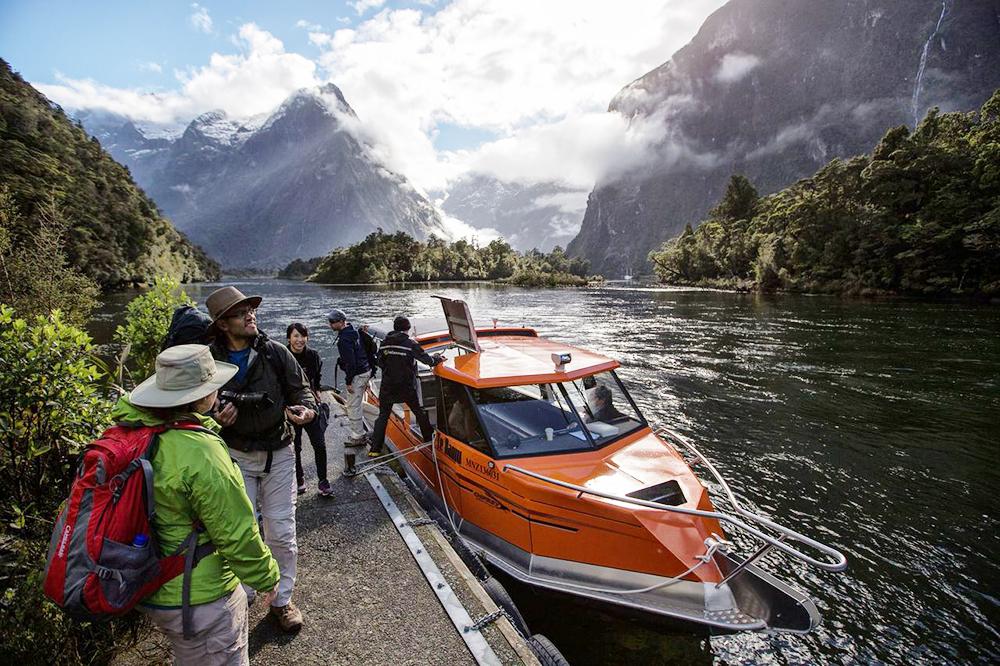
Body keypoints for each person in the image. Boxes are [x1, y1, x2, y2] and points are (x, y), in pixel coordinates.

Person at [119, 344, 280, 665]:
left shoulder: (136, 431)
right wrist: (267, 577)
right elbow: (235, 532)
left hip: (152, 584)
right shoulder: (201, 452)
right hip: (201, 595)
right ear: (203, 395)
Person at [205, 286, 317, 633]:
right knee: (240, 530)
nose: (250, 315)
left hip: (278, 453)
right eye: (241, 313)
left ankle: (282, 601)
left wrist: (307, 411)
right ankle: (245, 592)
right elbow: (195, 407)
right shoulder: (208, 360)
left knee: (281, 531)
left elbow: (302, 389)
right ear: (223, 324)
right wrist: (214, 418)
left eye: (251, 310)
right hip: (233, 455)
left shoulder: (274, 352)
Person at [369, 316, 443, 456]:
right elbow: (427, 360)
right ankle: (429, 440)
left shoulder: (384, 343)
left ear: (395, 328)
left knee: (383, 416)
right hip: (406, 386)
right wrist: (437, 359)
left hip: (387, 386)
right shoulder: (410, 344)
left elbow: (379, 362)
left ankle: (375, 449)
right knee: (418, 411)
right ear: (407, 328)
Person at [285, 323, 331, 497]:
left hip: (310, 405)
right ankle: (300, 478)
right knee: (295, 446)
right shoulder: (283, 355)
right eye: (296, 336)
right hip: (291, 407)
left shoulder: (313, 355)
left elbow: (316, 378)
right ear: (289, 338)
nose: (300, 340)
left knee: (319, 444)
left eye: (303, 336)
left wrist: (316, 392)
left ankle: (323, 481)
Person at [327, 308, 371, 444]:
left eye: (332, 322)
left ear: (341, 322)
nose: (330, 324)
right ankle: (373, 423)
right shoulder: (354, 332)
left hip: (357, 375)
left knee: (352, 406)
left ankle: (358, 436)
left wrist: (348, 381)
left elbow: (351, 363)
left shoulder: (344, 340)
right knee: (357, 402)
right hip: (366, 370)